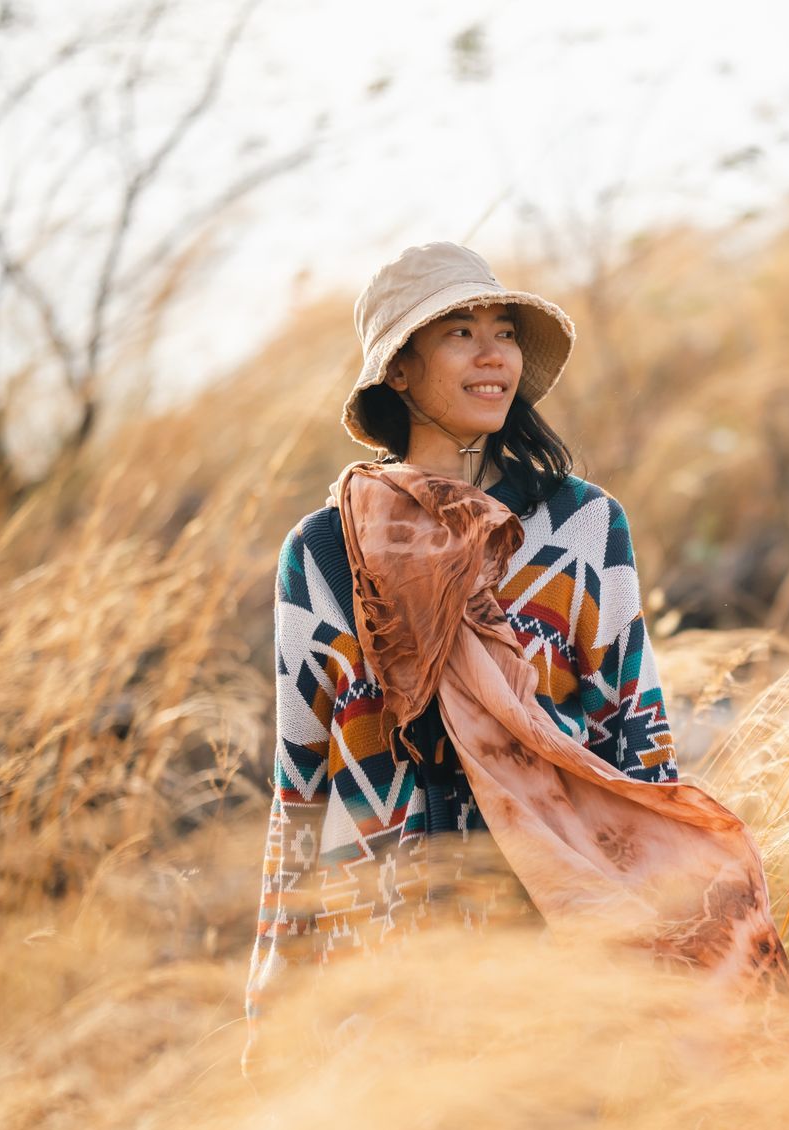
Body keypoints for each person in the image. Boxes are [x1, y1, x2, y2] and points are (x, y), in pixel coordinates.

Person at [242, 241, 688, 1079]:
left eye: (504, 332)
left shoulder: (581, 527)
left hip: (554, 912)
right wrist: (278, 975)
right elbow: (300, 778)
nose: (493, 355)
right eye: (459, 333)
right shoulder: (326, 550)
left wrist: (664, 923)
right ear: (398, 369)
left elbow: (638, 733)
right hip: (386, 929)